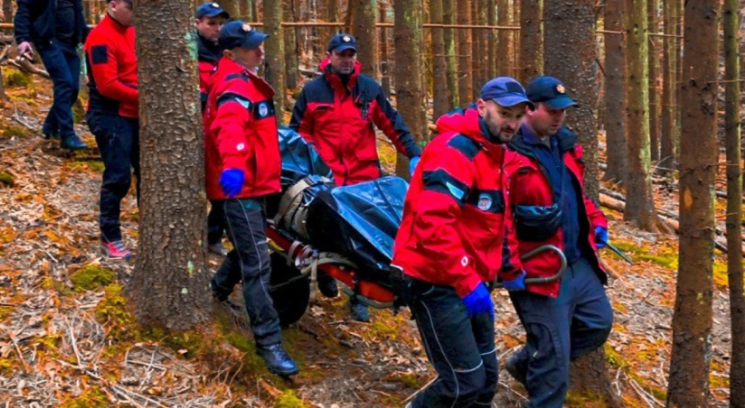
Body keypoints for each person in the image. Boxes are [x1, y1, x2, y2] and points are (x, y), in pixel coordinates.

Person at [392, 77, 531, 408]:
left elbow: (501, 218)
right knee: (462, 383)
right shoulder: (454, 151)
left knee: (486, 381)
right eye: (505, 114)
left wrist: (510, 269)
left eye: (518, 115)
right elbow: (433, 223)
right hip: (434, 280)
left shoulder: (498, 153)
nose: (512, 123)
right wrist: (467, 281)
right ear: (483, 107)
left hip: (471, 279)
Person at [289, 32, 422, 322]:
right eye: (341, 54)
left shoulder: (369, 90)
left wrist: (413, 154)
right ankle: (324, 275)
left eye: (351, 54)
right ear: (330, 57)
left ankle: (358, 297)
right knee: (322, 232)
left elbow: (393, 125)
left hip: (364, 179)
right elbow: (297, 132)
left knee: (362, 239)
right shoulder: (313, 92)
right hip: (327, 179)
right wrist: (311, 161)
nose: (346, 60)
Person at [502, 76, 614, 408]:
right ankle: (544, 376)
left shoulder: (565, 145)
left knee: (598, 323)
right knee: (554, 369)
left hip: (577, 261)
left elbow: (578, 197)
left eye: (563, 111)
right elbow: (500, 217)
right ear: (529, 110)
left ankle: (527, 362)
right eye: (552, 111)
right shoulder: (509, 153)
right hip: (539, 268)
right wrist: (509, 267)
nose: (559, 117)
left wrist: (597, 224)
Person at [205, 20, 299, 377]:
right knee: (257, 264)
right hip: (240, 189)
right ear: (232, 52)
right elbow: (228, 128)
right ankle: (269, 341)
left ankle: (217, 289)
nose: (260, 50)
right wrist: (232, 166)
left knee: (251, 243)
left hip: (258, 184)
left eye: (260, 43)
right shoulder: (234, 85)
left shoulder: (246, 81)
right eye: (252, 46)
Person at [84, 0, 139, 259]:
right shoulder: (100, 38)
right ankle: (110, 237)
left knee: (148, 174)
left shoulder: (133, 30)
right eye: (131, 6)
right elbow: (108, 85)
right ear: (114, 4)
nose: (135, 12)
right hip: (109, 114)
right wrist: (148, 97)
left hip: (136, 113)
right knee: (118, 177)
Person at [14, 0, 89, 150]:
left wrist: (88, 37)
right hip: (50, 43)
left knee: (73, 89)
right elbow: (23, 12)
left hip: (70, 45)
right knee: (65, 83)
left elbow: (79, 17)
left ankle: (50, 127)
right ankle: (67, 134)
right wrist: (23, 39)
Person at [195, 2, 230, 256]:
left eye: (220, 23)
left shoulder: (226, 51)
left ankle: (214, 233)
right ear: (198, 23)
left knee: (225, 187)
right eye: (211, 23)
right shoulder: (191, 51)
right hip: (197, 129)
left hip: (222, 127)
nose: (217, 29)